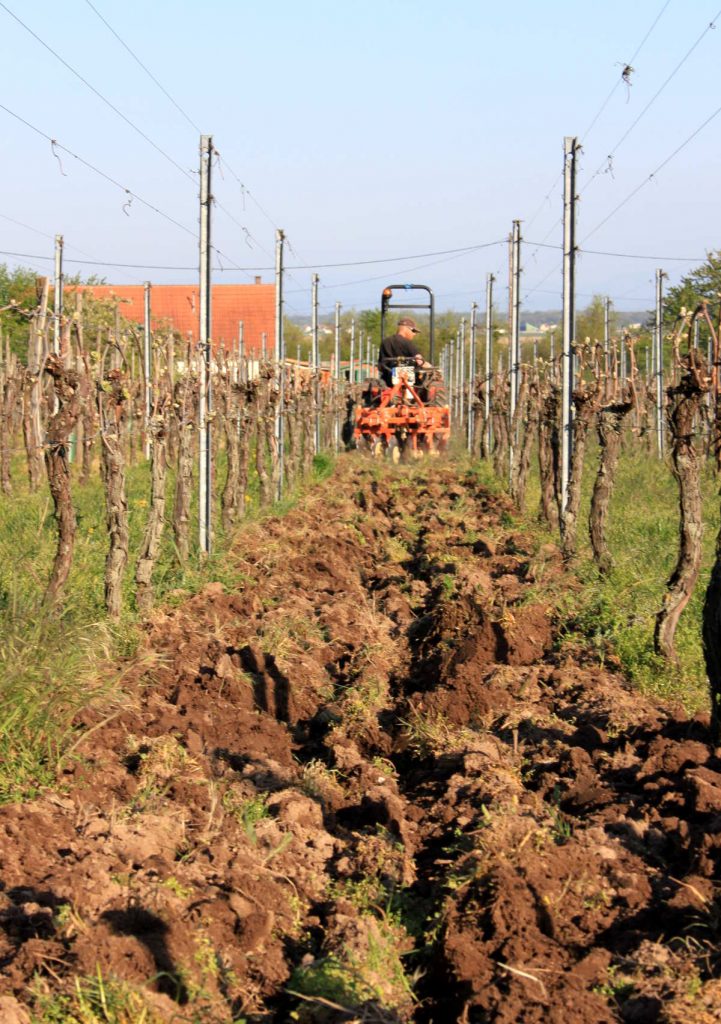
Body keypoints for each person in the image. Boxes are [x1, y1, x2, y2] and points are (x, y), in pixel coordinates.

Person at [377, 317, 430, 387]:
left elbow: (381, 365)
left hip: (388, 380)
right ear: (406, 329)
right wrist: (432, 368)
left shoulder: (385, 342)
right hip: (409, 380)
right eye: (413, 331)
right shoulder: (407, 343)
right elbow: (420, 361)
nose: (414, 334)